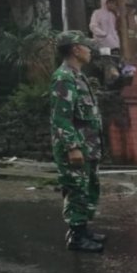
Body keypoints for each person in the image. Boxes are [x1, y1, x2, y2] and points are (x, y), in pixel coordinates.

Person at [50, 31, 106, 253]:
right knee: (76, 190)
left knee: (87, 188)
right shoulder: (64, 78)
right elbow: (61, 117)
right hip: (76, 148)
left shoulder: (78, 76)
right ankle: (76, 236)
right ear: (75, 49)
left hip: (88, 147)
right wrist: (72, 147)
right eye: (86, 46)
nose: (89, 50)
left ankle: (83, 229)